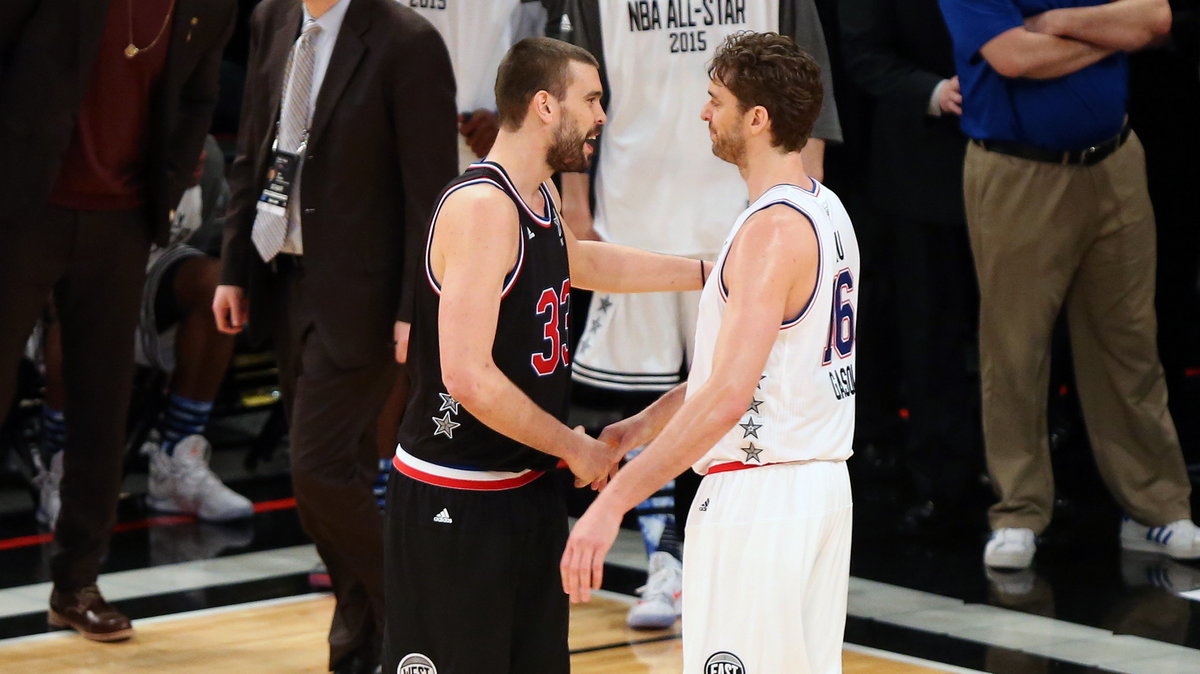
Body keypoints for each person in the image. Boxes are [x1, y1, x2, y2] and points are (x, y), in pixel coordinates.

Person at [385, 36, 710, 674]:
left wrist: (707, 272)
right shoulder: (482, 206)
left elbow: (578, 261)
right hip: (459, 496)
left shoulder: (539, 196)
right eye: (590, 99)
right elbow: (469, 377)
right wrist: (574, 445)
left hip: (526, 490)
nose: (601, 116)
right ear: (543, 105)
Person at [562, 31, 859, 673]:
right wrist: (640, 427)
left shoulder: (772, 231)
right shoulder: (824, 209)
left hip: (762, 502)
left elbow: (727, 398)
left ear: (757, 119)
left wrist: (614, 503)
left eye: (715, 99)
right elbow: (746, 373)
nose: (704, 113)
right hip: (814, 490)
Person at [213, 0, 457, 670]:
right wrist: (234, 267)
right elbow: (252, 151)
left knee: (317, 471)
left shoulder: (408, 41)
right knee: (330, 479)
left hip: (367, 297)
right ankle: (360, 645)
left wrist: (418, 304)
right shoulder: (271, 21)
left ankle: (422, 612)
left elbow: (431, 190)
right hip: (283, 279)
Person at [0, 0, 236, 642]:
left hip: (122, 219)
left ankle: (76, 585)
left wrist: (162, 187)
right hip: (25, 205)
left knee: (103, 408)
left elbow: (198, 95)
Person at [936, 0, 1200, 569]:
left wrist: (1057, 24)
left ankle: (1156, 506)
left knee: (1129, 342)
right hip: (1017, 171)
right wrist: (1113, 35)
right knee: (1015, 349)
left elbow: (1156, 19)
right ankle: (1019, 512)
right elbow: (1012, 57)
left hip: (1115, 160)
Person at [34, 137, 252, 528]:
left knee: (218, 286)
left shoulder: (206, 162)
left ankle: (176, 458)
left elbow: (204, 243)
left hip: (145, 273)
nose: (198, 154)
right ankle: (61, 464)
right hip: (60, 278)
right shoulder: (82, 152)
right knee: (74, 305)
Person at [840, 0, 981, 534]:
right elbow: (864, 56)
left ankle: (1019, 479)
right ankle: (939, 481)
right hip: (919, 173)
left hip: (1016, 153)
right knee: (929, 335)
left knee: (1019, 336)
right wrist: (931, 90)